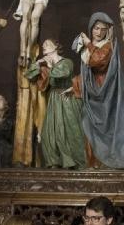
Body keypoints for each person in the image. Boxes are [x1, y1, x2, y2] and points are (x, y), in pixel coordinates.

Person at [72, 12, 124, 169]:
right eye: (96, 28)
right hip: (91, 94)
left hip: (105, 93)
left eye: (102, 29)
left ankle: (108, 163)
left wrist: (89, 44)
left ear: (107, 31)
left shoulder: (107, 46)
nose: (98, 32)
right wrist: (75, 84)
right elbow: (86, 72)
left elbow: (97, 62)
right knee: (88, 127)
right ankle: (94, 163)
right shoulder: (91, 46)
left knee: (107, 128)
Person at [25, 39, 86, 169]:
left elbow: (63, 73)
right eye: (43, 45)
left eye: (47, 44)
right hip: (54, 99)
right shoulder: (44, 64)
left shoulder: (66, 62)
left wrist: (49, 65)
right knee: (49, 133)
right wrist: (37, 64)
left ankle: (74, 162)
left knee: (69, 131)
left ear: (56, 47)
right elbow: (29, 75)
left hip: (67, 99)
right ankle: (54, 162)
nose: (44, 46)